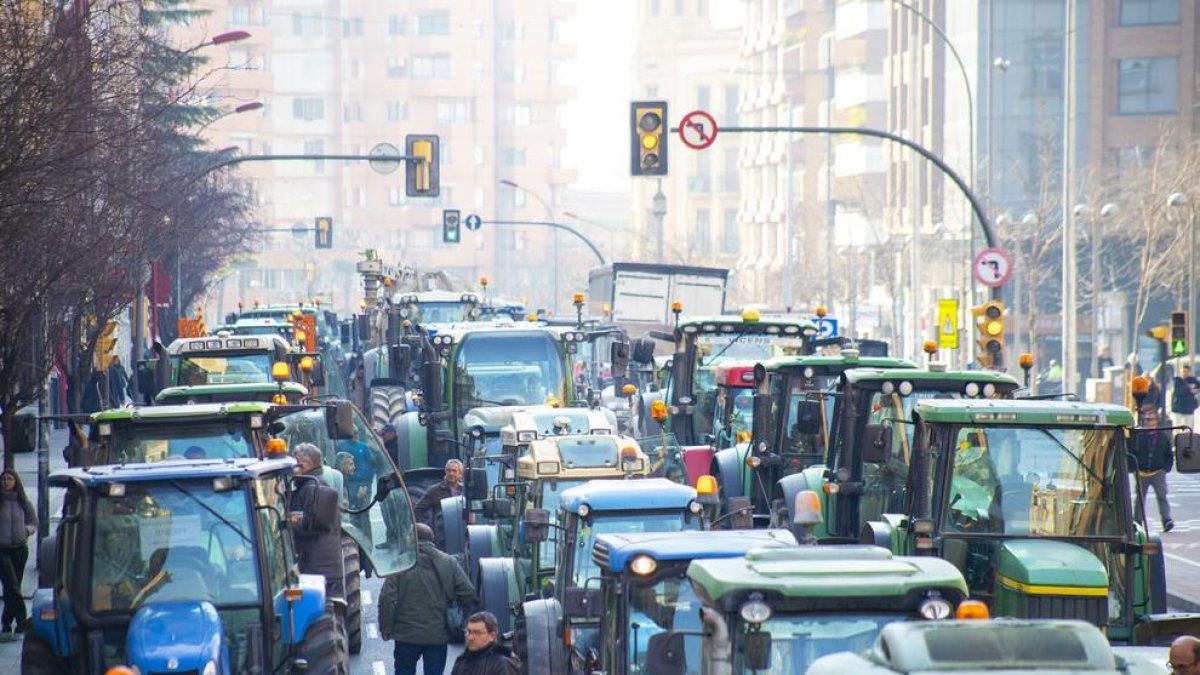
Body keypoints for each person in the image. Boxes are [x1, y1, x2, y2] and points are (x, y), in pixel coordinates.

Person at [379, 523, 476, 675]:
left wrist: (386, 628)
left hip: (406, 635)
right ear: (432, 539)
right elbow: (468, 593)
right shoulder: (449, 562)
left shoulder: (401, 562)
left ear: (412, 539)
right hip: (438, 635)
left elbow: (387, 598)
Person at [0, 470, 37, 632]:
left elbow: (33, 522)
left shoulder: (23, 502)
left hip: (20, 549)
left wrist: (26, 531)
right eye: (4, 479)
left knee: (13, 587)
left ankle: (7, 621)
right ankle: (22, 620)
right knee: (12, 585)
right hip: (2, 550)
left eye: (10, 479)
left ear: (16, 482)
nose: (6, 482)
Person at [1131, 408, 1175, 533]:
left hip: (1158, 472)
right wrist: (1134, 467)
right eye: (1145, 420)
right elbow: (1132, 452)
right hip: (1141, 472)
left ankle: (1166, 520)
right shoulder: (1139, 436)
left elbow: (1169, 454)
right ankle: (1137, 521)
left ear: (1156, 421)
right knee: (1139, 498)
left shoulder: (1163, 437)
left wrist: (1166, 468)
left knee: (1162, 496)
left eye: (1150, 419)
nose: (1147, 422)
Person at [450, 611, 521, 675]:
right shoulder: (462, 661)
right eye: (469, 632)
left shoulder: (502, 663)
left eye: (477, 633)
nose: (470, 638)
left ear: (492, 636)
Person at [413, 459, 464, 529]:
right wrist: (425, 529)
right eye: (449, 470)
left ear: (460, 474)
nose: (451, 473)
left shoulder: (465, 491)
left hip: (462, 531)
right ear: (445, 472)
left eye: (454, 471)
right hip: (442, 534)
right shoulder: (434, 491)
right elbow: (417, 511)